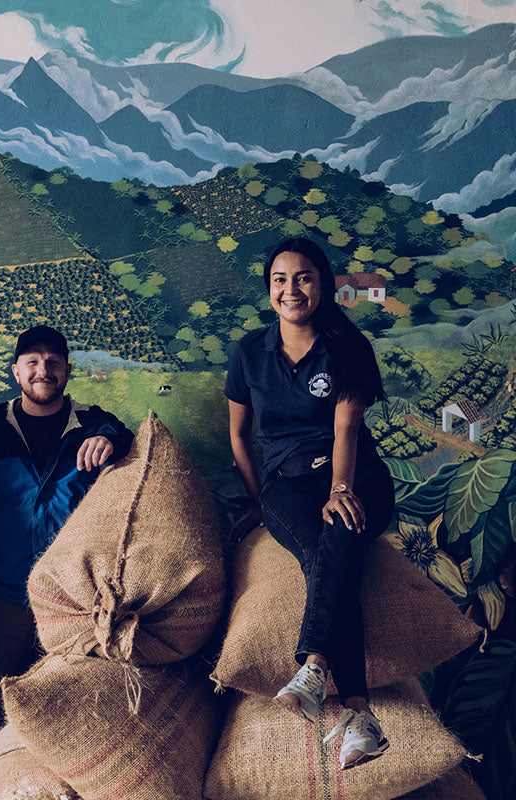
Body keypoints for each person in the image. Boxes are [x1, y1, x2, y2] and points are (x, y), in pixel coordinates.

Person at [225, 238, 395, 770]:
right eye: (280, 279)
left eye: (303, 278)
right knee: (325, 553)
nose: (291, 289)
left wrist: (341, 491)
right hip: (286, 484)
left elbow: (346, 429)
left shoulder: (348, 346)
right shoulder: (250, 352)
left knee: (339, 532)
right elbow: (238, 436)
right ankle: (361, 716)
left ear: (322, 286)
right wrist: (260, 501)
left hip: (356, 472)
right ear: (268, 288)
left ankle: (315, 666)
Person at [0, 325, 133, 760]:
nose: (43, 371)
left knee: (69, 708)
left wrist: (110, 435)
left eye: (53, 363)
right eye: (32, 362)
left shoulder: (92, 426)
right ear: (16, 371)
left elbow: (135, 445)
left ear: (67, 371)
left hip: (72, 599)